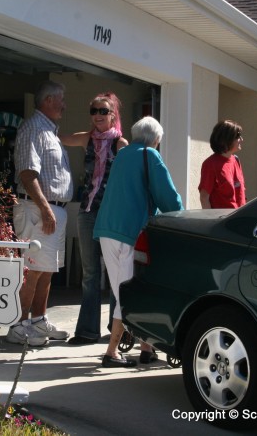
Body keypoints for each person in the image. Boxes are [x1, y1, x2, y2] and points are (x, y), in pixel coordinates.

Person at [93, 116, 184, 367]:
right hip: (131, 232)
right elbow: (169, 198)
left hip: (107, 229)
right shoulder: (150, 155)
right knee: (129, 294)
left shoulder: (122, 154)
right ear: (155, 139)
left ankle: (147, 347)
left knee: (123, 289)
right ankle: (111, 352)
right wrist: (182, 218)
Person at [7, 80, 73, 347]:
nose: (64, 106)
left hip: (50, 210)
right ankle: (18, 326)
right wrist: (46, 208)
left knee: (46, 270)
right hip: (37, 209)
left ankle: (37, 321)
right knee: (31, 270)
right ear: (48, 101)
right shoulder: (33, 127)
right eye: (61, 100)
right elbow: (27, 172)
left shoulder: (49, 130)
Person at [60, 92, 128, 345]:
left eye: (103, 111)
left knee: (114, 275)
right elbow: (56, 139)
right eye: (94, 111)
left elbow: (132, 177)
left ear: (113, 115)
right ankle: (87, 332)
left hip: (111, 215)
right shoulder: (86, 138)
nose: (98, 115)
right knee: (89, 274)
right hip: (88, 212)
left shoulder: (121, 144)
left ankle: (117, 332)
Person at [198, 120, 246, 209]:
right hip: (223, 220)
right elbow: (204, 198)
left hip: (240, 218)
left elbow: (240, 192)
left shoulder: (236, 160)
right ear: (227, 139)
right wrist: (211, 221)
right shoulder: (210, 164)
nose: (241, 140)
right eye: (238, 136)